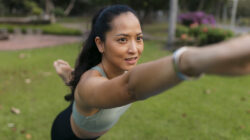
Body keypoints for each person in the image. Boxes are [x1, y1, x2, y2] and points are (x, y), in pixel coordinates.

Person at [51, 4, 250, 140]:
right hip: (66, 134)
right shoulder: (89, 83)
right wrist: (191, 61)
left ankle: (69, 75)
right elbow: (129, 88)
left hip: (87, 117)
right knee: (81, 90)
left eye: (138, 38)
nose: (134, 49)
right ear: (100, 44)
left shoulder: (126, 67)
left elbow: (143, 76)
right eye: (122, 39)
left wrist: (217, 64)